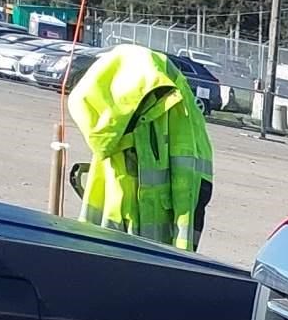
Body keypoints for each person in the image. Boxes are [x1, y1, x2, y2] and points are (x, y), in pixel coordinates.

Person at [66, 45, 214, 249]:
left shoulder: (112, 97)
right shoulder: (161, 99)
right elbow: (188, 185)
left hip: (123, 245)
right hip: (147, 247)